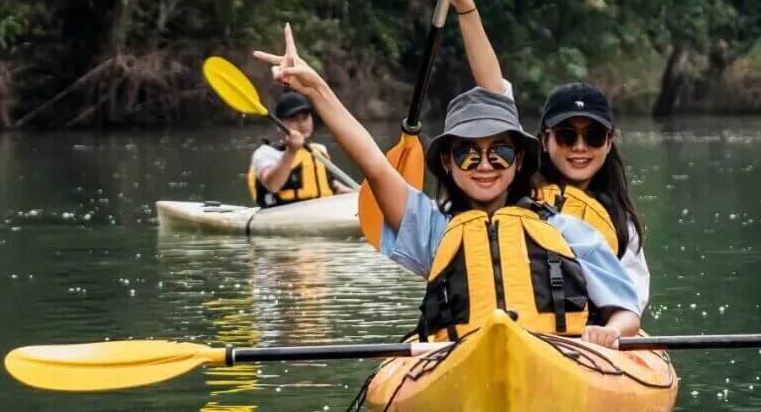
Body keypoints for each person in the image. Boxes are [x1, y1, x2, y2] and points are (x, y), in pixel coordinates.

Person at [254, 26, 641, 348]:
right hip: (462, 365)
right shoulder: (432, 229)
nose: (485, 165)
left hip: (560, 363)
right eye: (468, 154)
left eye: (500, 152)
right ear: (447, 162)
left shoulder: (568, 232)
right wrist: (317, 90)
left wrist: (609, 332)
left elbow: (625, 310)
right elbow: (373, 165)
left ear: (520, 160)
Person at [435, 0, 651, 311]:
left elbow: (632, 302)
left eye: (593, 136)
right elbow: (494, 90)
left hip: (585, 339)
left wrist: (609, 332)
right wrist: (465, 4)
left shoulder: (621, 221)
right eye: (567, 136)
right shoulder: (518, 183)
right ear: (544, 140)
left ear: (609, 142)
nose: (580, 148)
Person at [246, 88, 348, 206]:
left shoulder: (318, 150)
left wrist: (359, 193)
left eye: (305, 118)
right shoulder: (265, 153)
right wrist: (291, 151)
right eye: (294, 119)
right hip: (279, 217)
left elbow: (333, 186)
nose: (302, 124)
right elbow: (272, 185)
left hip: (321, 213)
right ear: (279, 125)